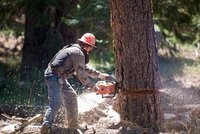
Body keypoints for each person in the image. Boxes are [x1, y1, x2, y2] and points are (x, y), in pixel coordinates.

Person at [40, 33, 110, 133]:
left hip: (60, 77)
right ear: (88, 46)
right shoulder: (78, 53)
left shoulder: (77, 51)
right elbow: (81, 73)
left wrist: (99, 75)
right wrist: (92, 85)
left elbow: (84, 68)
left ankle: (73, 125)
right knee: (56, 102)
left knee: (71, 96)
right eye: (92, 47)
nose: (91, 50)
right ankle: (46, 126)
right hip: (54, 76)